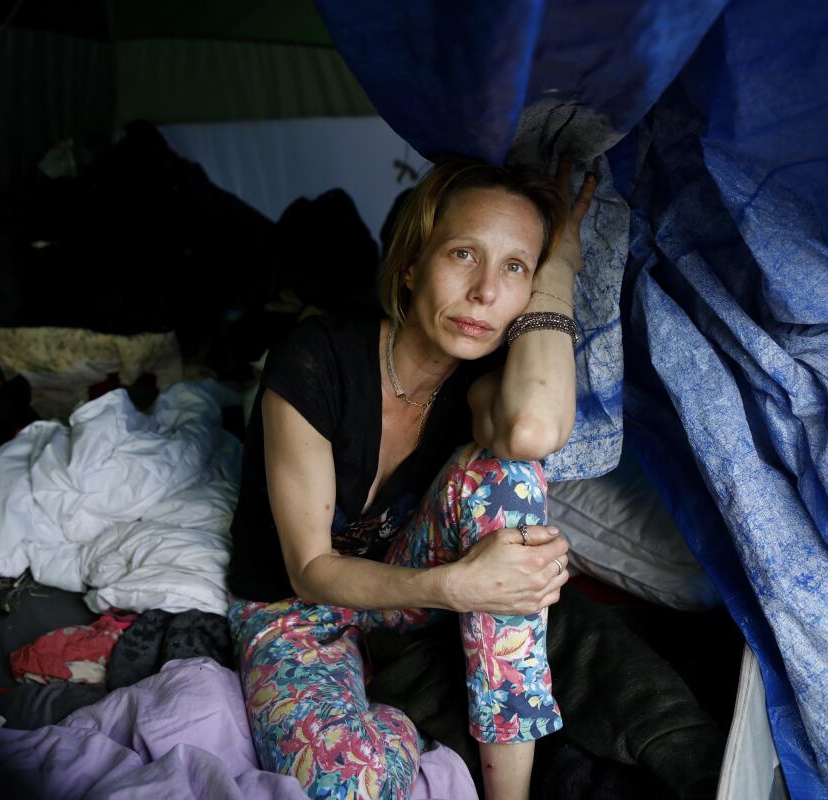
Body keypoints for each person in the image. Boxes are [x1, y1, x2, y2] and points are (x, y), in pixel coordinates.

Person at [227, 155, 598, 799]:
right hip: (298, 613)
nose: (485, 291)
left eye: (515, 267)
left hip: (406, 594)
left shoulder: (483, 381)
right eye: (463, 254)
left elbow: (534, 430)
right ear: (409, 265)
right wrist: (457, 586)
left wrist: (559, 267)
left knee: (509, 477)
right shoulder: (316, 359)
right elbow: (309, 570)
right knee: (353, 785)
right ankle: (392, 733)